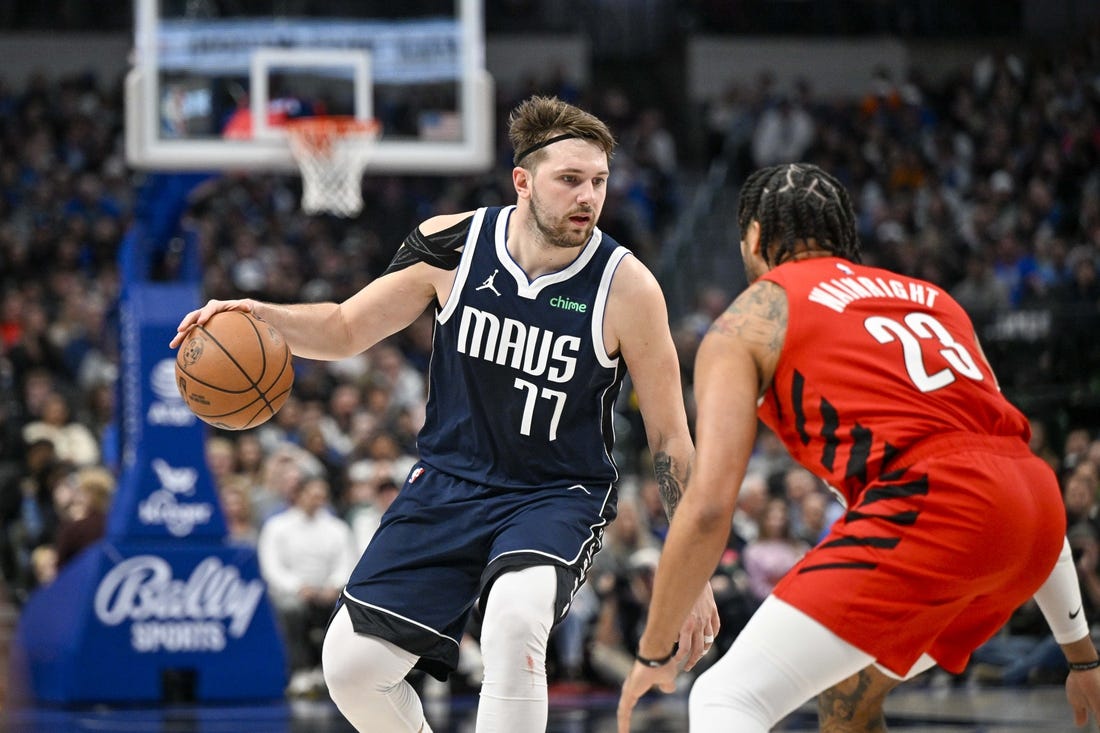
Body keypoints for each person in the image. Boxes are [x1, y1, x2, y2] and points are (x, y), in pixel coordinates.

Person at [172, 95, 718, 733]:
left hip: (554, 493)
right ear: (523, 181)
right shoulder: (452, 244)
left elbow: (670, 438)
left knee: (515, 620)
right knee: (350, 667)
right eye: (570, 179)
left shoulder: (628, 288)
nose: (588, 197)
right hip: (451, 482)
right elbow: (345, 328)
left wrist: (693, 569)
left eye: (598, 181)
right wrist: (258, 315)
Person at [617, 162, 1100, 732]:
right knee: (849, 695)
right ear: (843, 234)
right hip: (1035, 511)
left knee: (725, 697)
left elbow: (709, 506)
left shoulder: (751, 317)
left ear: (753, 238)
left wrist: (653, 650)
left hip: (936, 508)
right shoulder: (934, 300)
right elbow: (1004, 467)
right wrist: (1082, 655)